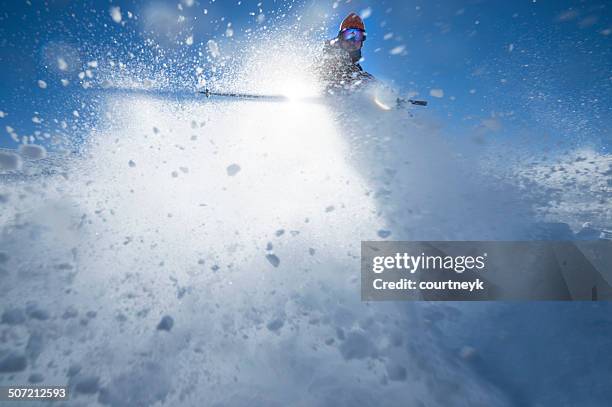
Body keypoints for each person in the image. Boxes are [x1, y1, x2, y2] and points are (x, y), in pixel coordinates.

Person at [318, 13, 374, 93]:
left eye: (358, 36)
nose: (352, 41)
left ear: (361, 42)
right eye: (348, 35)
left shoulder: (360, 73)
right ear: (340, 38)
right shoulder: (327, 59)